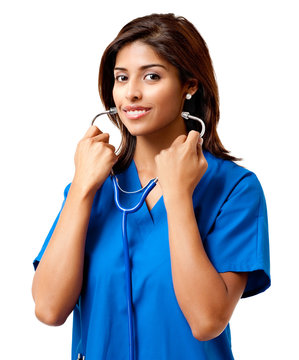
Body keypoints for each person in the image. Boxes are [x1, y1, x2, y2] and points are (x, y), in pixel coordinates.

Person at [32, 13, 271, 360]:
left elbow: (207, 321)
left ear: (190, 84)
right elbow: (49, 309)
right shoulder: (92, 186)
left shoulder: (234, 190)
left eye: (152, 76)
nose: (131, 93)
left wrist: (178, 196)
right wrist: (82, 189)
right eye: (121, 78)